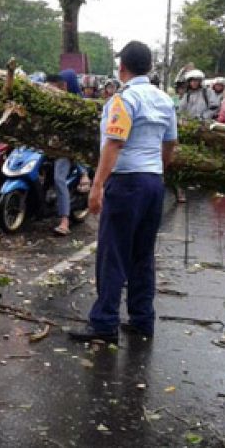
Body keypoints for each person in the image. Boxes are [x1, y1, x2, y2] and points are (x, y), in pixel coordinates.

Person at [68, 41, 177, 344]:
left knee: (113, 253)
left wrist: (98, 185)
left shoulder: (123, 100)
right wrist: (159, 170)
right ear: (150, 67)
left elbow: (113, 144)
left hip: (127, 182)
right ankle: (142, 318)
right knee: (142, 253)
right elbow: (170, 145)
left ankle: (104, 322)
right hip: (153, 181)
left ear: (122, 68)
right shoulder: (164, 100)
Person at [46, 70, 90, 236]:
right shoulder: (53, 103)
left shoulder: (78, 107)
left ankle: (64, 221)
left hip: (68, 149)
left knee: (59, 177)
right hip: (48, 146)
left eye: (61, 85)